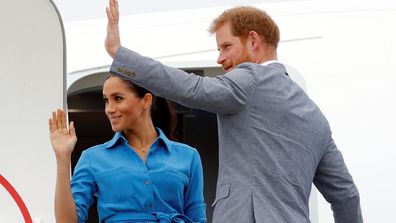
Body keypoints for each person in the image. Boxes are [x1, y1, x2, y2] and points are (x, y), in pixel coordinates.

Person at [105, 0, 363, 222]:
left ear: (253, 41)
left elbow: (192, 88)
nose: (219, 58)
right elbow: (346, 195)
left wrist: (120, 54)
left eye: (226, 47)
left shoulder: (250, 78)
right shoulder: (316, 117)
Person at [49, 74, 207, 223]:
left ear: (146, 100)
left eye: (118, 98)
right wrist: (62, 158)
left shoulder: (188, 156)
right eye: (106, 100)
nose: (109, 109)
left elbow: (197, 218)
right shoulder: (92, 158)